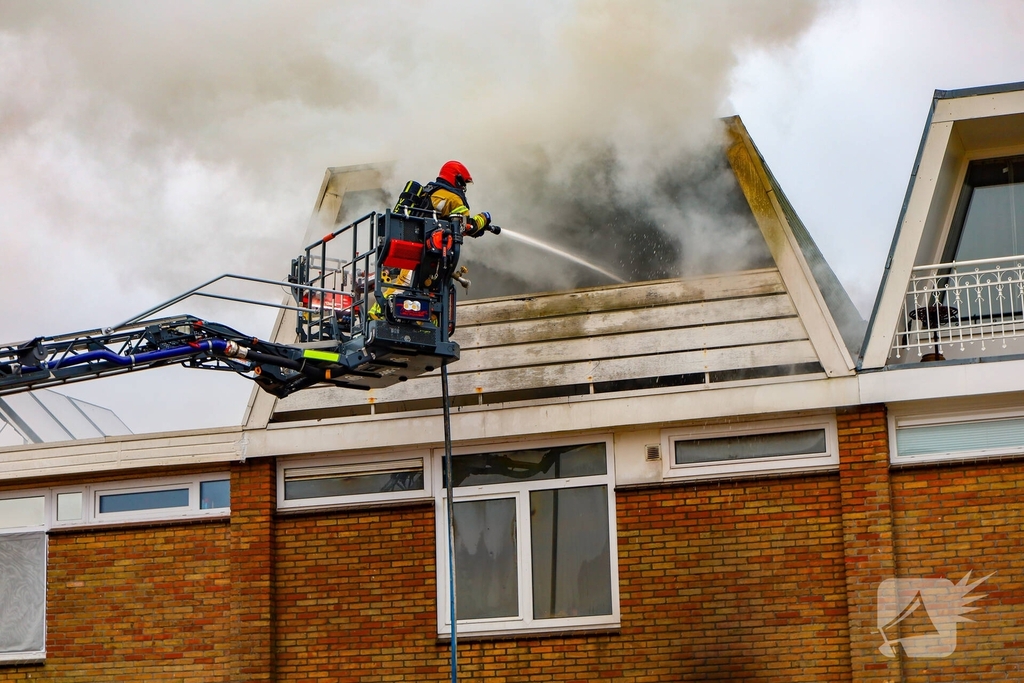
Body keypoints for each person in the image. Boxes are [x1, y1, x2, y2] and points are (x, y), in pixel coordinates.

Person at [371, 161, 492, 320]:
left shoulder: (428, 192)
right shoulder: (454, 199)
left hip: (412, 249)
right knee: (418, 292)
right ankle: (378, 313)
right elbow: (466, 225)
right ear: (455, 178)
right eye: (462, 183)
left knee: (408, 287)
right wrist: (484, 218)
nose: (463, 188)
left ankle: (377, 314)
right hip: (429, 255)